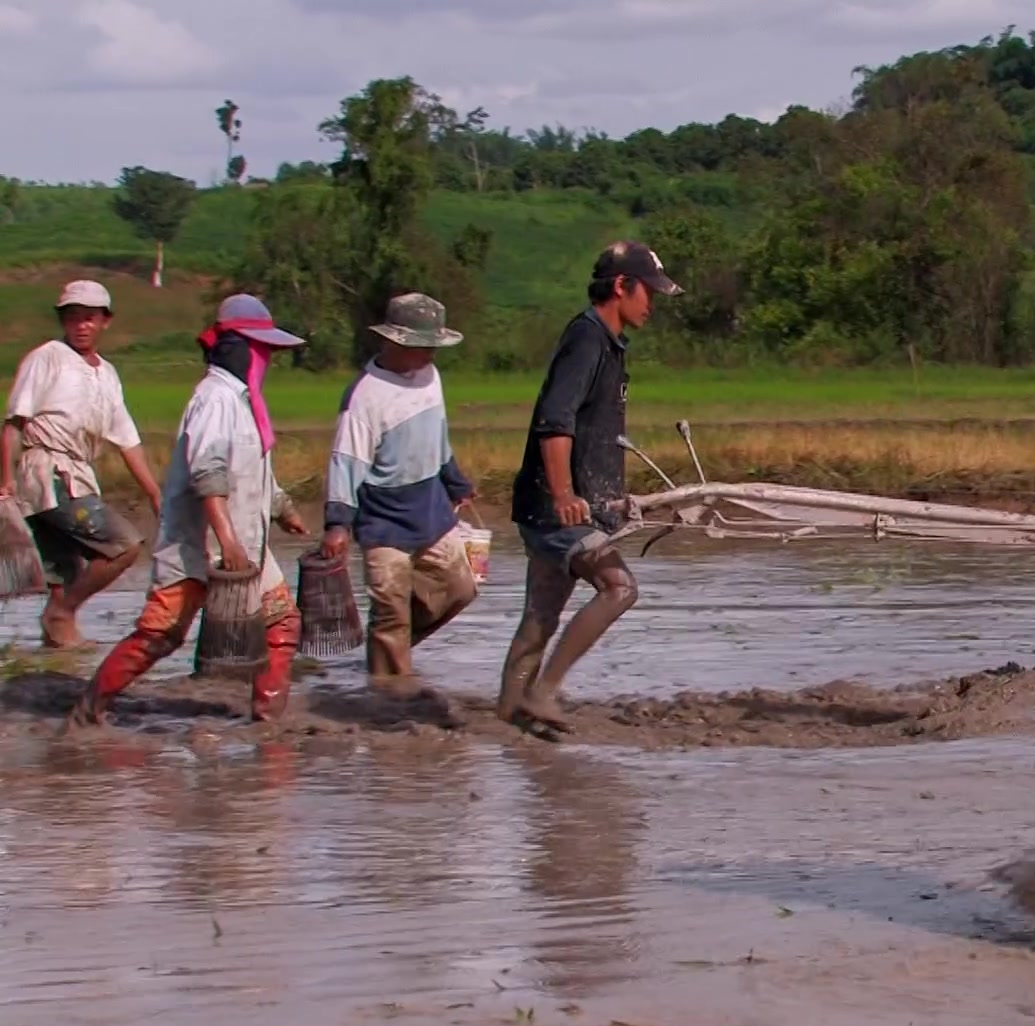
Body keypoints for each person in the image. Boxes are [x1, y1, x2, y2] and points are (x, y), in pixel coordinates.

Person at [67, 295, 311, 730]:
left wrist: (282, 508)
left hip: (244, 546)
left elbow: (253, 471)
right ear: (238, 348)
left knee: (282, 624)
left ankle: (267, 722)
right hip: (201, 548)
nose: (268, 361)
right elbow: (209, 475)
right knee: (160, 636)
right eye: (263, 351)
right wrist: (229, 542)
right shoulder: (215, 399)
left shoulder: (243, 401)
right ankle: (88, 712)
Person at [497, 241, 683, 739]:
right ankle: (545, 692)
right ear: (621, 286)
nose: (653, 304)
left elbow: (592, 430)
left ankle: (509, 716)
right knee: (619, 588)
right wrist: (563, 495)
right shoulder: (587, 339)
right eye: (648, 292)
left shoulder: (609, 343)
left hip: (563, 506)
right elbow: (555, 423)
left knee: (540, 616)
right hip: (556, 507)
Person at [320, 293, 477, 683]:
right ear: (393, 341)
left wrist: (455, 480)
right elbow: (346, 462)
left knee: (460, 588)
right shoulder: (365, 397)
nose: (429, 355)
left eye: (432, 348)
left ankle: (392, 653)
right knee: (390, 609)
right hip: (383, 519)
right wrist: (338, 523)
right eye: (421, 347)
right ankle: (390, 690)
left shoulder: (430, 377)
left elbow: (436, 438)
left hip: (430, 506)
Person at [2, 280, 163, 649]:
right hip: (46, 473)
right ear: (64, 321)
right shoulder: (47, 357)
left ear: (105, 321)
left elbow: (127, 440)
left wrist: (154, 493)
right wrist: (6, 479)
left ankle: (57, 645)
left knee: (66, 568)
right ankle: (63, 614)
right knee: (123, 545)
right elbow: (14, 423)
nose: (81, 326)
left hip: (76, 472)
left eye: (89, 318)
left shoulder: (106, 374)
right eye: (73, 318)